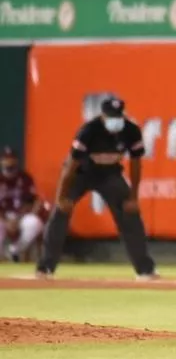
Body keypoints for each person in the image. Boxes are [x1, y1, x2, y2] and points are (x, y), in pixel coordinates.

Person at [35, 96, 158, 280]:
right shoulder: (89, 130)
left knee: (130, 214)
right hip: (81, 174)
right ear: (102, 115)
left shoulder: (131, 131)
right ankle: (45, 268)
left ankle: (145, 269)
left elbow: (135, 164)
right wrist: (61, 198)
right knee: (60, 213)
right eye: (110, 116)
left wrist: (133, 197)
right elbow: (70, 166)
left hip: (110, 175)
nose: (114, 121)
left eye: (117, 116)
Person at [0, 147, 47, 262]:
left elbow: (33, 201)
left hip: (21, 216)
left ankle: (14, 251)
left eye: (11, 159)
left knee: (34, 223)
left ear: (16, 161)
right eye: (6, 159)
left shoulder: (25, 178)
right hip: (2, 217)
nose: (9, 162)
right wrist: (6, 221)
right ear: (1, 161)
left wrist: (18, 219)